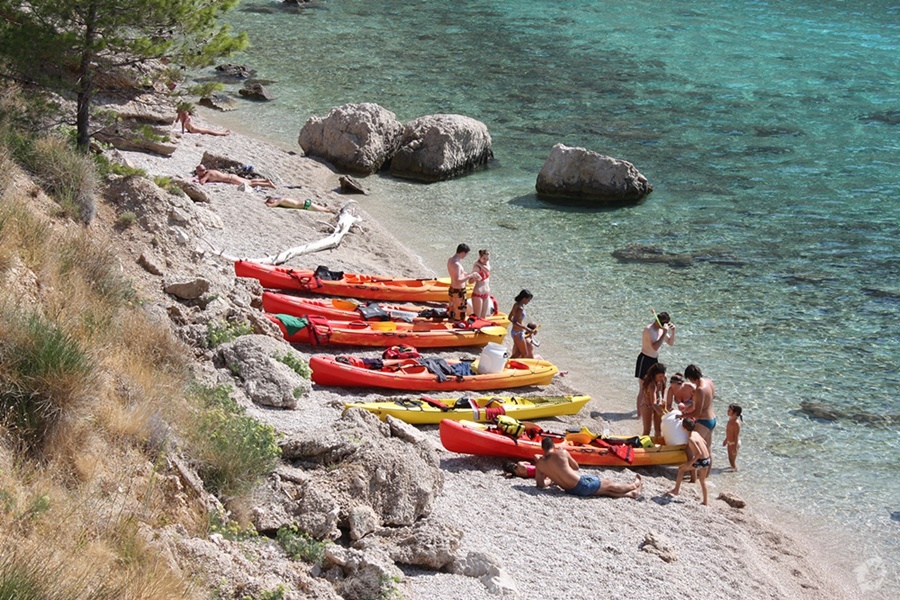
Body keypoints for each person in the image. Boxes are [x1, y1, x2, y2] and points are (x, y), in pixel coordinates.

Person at [535, 437, 642, 498]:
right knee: (610, 484)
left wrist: (551, 480)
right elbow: (576, 467)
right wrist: (565, 456)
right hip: (582, 485)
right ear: (553, 446)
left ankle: (632, 494)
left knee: (606, 491)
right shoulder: (561, 452)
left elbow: (540, 485)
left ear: (542, 448)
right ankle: (633, 485)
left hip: (571, 491)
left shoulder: (539, 464)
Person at [635, 311, 675, 413]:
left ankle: (653, 407)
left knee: (659, 383)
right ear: (657, 321)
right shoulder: (649, 329)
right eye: (663, 323)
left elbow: (670, 343)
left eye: (666, 324)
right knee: (643, 388)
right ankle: (639, 414)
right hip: (645, 359)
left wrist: (673, 332)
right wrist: (665, 332)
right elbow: (655, 347)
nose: (664, 326)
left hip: (654, 360)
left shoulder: (661, 330)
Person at [665, 417, 711, 505]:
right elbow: (704, 443)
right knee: (702, 480)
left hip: (700, 460)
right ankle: (705, 501)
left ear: (683, 427)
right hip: (707, 459)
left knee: (681, 469)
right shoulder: (696, 433)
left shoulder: (690, 439)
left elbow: (698, 453)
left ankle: (676, 490)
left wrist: (690, 462)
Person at [683, 364, 716, 455]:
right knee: (707, 449)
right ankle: (707, 469)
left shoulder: (700, 390)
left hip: (703, 421)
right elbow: (708, 399)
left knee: (691, 448)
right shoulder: (709, 382)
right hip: (712, 419)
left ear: (691, 378)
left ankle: (691, 469)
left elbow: (697, 413)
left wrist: (684, 415)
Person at [446, 243, 475, 322]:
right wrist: (469, 277)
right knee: (460, 313)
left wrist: (468, 274)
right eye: (466, 254)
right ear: (462, 253)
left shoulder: (450, 260)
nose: (465, 256)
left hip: (452, 289)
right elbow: (458, 280)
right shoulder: (457, 265)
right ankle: (458, 325)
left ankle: (452, 322)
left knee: (452, 311)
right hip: (458, 292)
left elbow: (457, 274)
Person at [639, 362, 667, 438]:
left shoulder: (663, 378)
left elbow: (664, 388)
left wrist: (663, 399)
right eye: (659, 377)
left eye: (663, 376)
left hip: (657, 405)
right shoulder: (652, 385)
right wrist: (663, 414)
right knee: (647, 430)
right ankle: (641, 447)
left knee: (658, 430)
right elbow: (653, 403)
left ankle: (657, 446)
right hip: (647, 406)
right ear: (654, 375)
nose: (661, 378)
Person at [194, 164, 276, 189]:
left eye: (197, 172)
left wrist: (199, 178)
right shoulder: (209, 171)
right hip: (231, 176)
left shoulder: (208, 174)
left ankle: (268, 184)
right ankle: (265, 180)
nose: (197, 173)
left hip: (231, 179)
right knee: (249, 181)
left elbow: (202, 182)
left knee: (250, 184)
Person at [508, 289, 537, 359]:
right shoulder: (520, 308)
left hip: (515, 332)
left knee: (518, 353)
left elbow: (509, 318)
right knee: (524, 354)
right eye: (528, 300)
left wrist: (520, 326)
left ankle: (507, 364)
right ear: (524, 298)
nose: (528, 302)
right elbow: (515, 323)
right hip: (518, 333)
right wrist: (527, 329)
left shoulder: (516, 304)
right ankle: (507, 364)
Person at [470, 248, 492, 319]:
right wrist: (474, 278)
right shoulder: (476, 268)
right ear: (479, 257)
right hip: (478, 294)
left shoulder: (486, 264)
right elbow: (470, 281)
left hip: (486, 294)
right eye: (484, 258)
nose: (485, 261)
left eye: (487, 259)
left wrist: (479, 264)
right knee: (477, 317)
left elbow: (488, 269)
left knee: (483, 317)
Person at [723, 404, 743, 470]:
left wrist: (735, 447)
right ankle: (733, 469)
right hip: (730, 441)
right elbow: (729, 432)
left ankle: (735, 470)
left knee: (732, 460)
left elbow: (736, 435)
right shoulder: (730, 420)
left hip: (734, 443)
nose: (727, 411)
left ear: (735, 413)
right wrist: (726, 440)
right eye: (728, 410)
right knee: (730, 458)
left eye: (729, 410)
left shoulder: (736, 423)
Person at [264, 196, 335, 213]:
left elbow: (271, 206)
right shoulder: (282, 199)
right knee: (325, 209)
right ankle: (334, 210)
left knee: (325, 210)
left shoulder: (281, 200)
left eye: (271, 201)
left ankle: (335, 211)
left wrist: (267, 203)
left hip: (306, 205)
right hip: (306, 204)